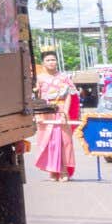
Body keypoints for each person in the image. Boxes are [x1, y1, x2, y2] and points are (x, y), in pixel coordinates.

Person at [33, 49, 77, 182]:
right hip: (46, 112)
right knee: (49, 142)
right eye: (48, 60)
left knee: (64, 141)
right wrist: (38, 114)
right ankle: (52, 171)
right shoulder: (39, 78)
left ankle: (63, 170)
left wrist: (65, 113)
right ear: (43, 63)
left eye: (53, 59)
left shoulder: (64, 77)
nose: (51, 62)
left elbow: (69, 96)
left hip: (61, 110)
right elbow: (37, 97)